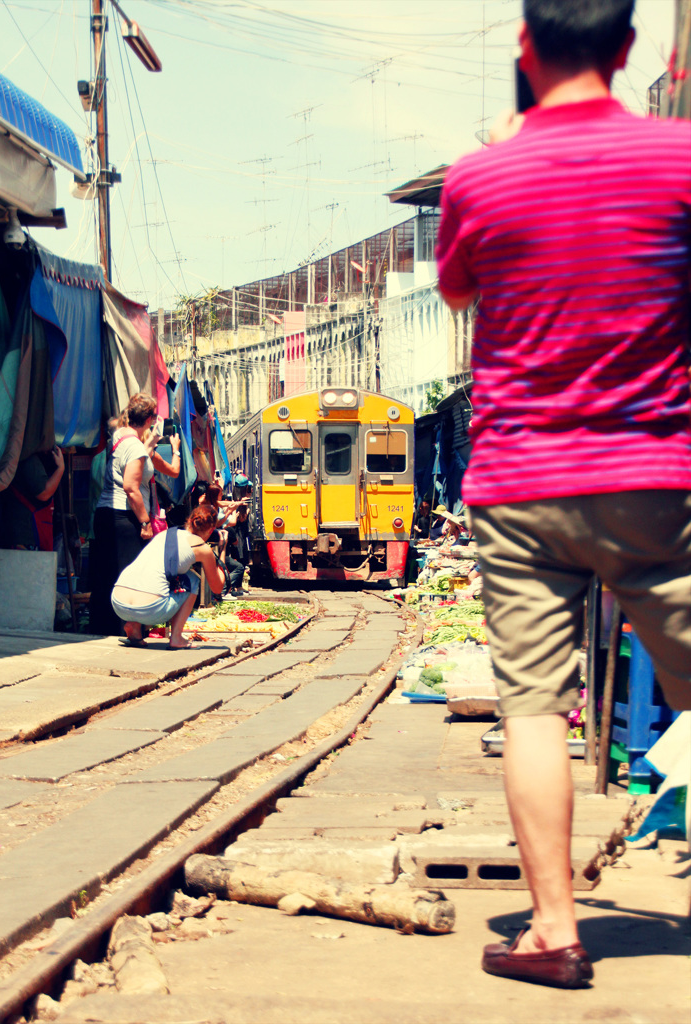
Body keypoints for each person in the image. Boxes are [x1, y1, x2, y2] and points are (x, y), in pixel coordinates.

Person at [436, 0, 691, 990]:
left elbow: (461, 294)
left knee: (536, 706)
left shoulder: (480, 176)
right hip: (654, 479)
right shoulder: (677, 163)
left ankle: (553, 929)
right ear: (626, 50)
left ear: (524, 46)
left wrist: (503, 153)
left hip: (522, 482)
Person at [89, 393, 181, 636]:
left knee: (108, 573)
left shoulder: (121, 438)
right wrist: (144, 522)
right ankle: (126, 629)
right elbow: (131, 487)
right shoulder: (134, 447)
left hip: (108, 514)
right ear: (150, 418)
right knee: (127, 574)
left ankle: (104, 627)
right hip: (124, 517)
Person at [111, 505, 226, 649]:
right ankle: (176, 637)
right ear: (210, 530)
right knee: (193, 579)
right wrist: (222, 550)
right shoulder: (202, 548)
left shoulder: (164, 534)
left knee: (158, 577)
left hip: (118, 603)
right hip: (149, 609)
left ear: (189, 520)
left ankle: (134, 627)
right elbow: (217, 587)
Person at [0, 446, 65, 551]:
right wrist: (60, 468)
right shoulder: (28, 459)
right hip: (25, 535)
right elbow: (44, 493)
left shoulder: (12, 455)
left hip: (14, 533)